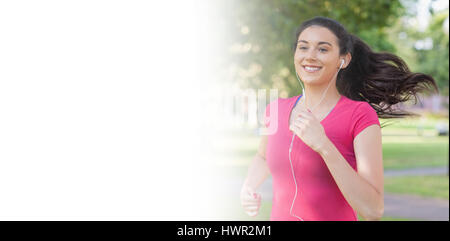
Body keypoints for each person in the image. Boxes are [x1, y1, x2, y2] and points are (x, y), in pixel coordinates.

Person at [240, 16, 438, 221]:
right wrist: (248, 186)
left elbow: (373, 210)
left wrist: (324, 146)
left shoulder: (359, 115)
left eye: (323, 49)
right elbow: (263, 156)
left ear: (343, 60)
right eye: (303, 47)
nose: (310, 56)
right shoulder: (275, 109)